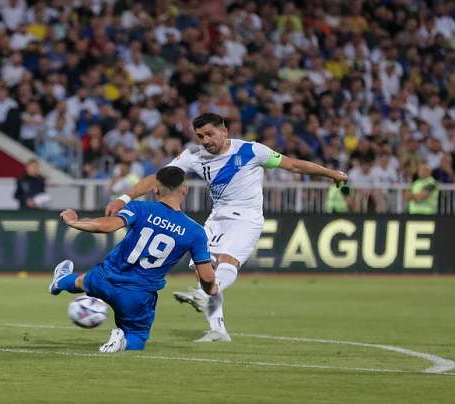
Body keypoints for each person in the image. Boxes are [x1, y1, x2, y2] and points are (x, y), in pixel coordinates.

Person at [105, 113, 348, 342]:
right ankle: (217, 329)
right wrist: (124, 198)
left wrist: (332, 174)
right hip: (217, 218)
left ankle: (203, 296)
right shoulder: (194, 156)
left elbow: (294, 166)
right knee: (204, 270)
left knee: (227, 260)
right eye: (200, 136)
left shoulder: (252, 150)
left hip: (246, 218)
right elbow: (159, 178)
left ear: (224, 131)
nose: (205, 141)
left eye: (210, 134)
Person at [49, 166, 216, 352]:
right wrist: (210, 291)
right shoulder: (195, 232)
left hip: (106, 277)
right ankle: (122, 342)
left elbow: (107, 226)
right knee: (136, 337)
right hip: (138, 294)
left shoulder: (140, 208)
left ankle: (61, 281)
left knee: (82, 281)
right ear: (185, 189)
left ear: (156, 189)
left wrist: (73, 222)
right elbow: (207, 277)